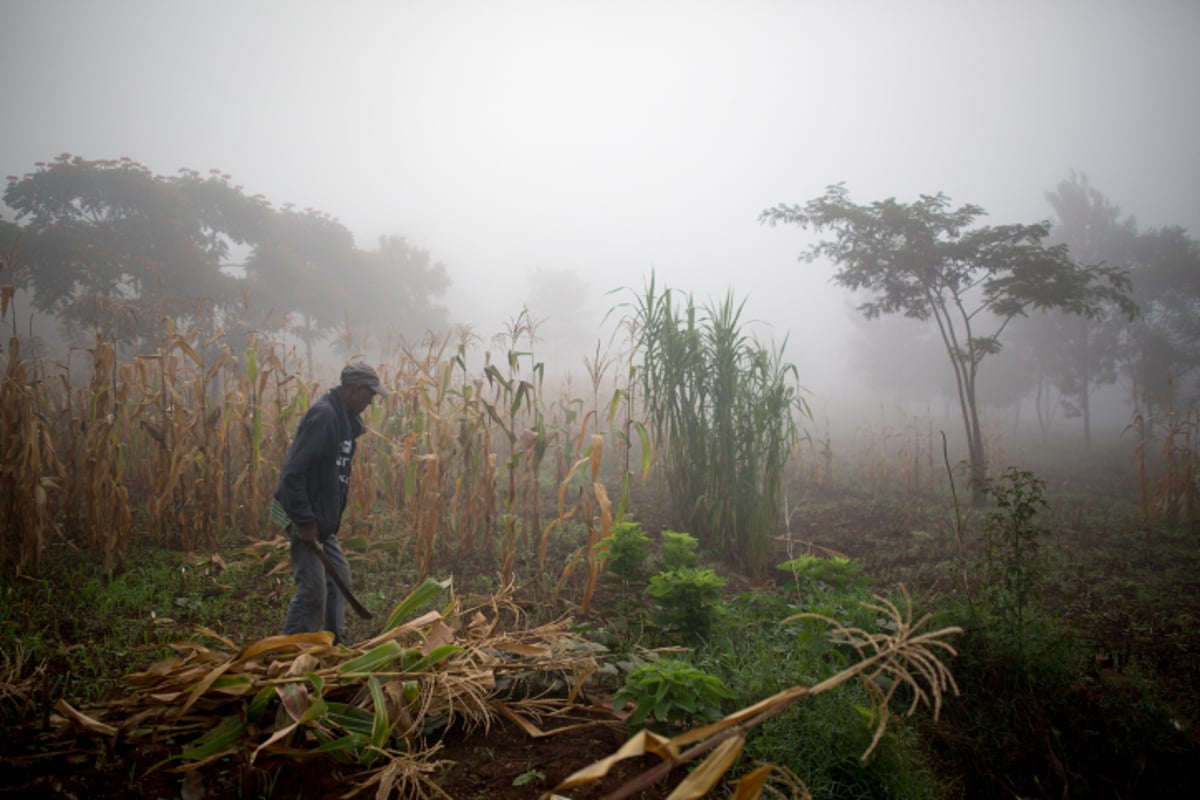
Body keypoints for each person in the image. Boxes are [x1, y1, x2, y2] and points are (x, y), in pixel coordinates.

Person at [271, 361, 386, 644]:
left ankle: (334, 645)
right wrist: (307, 523)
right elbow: (292, 475)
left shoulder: (346, 420)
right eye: (368, 394)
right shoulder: (324, 417)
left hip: (320, 521)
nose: (371, 401)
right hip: (303, 516)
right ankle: (291, 656)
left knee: (339, 579)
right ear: (351, 390)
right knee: (313, 589)